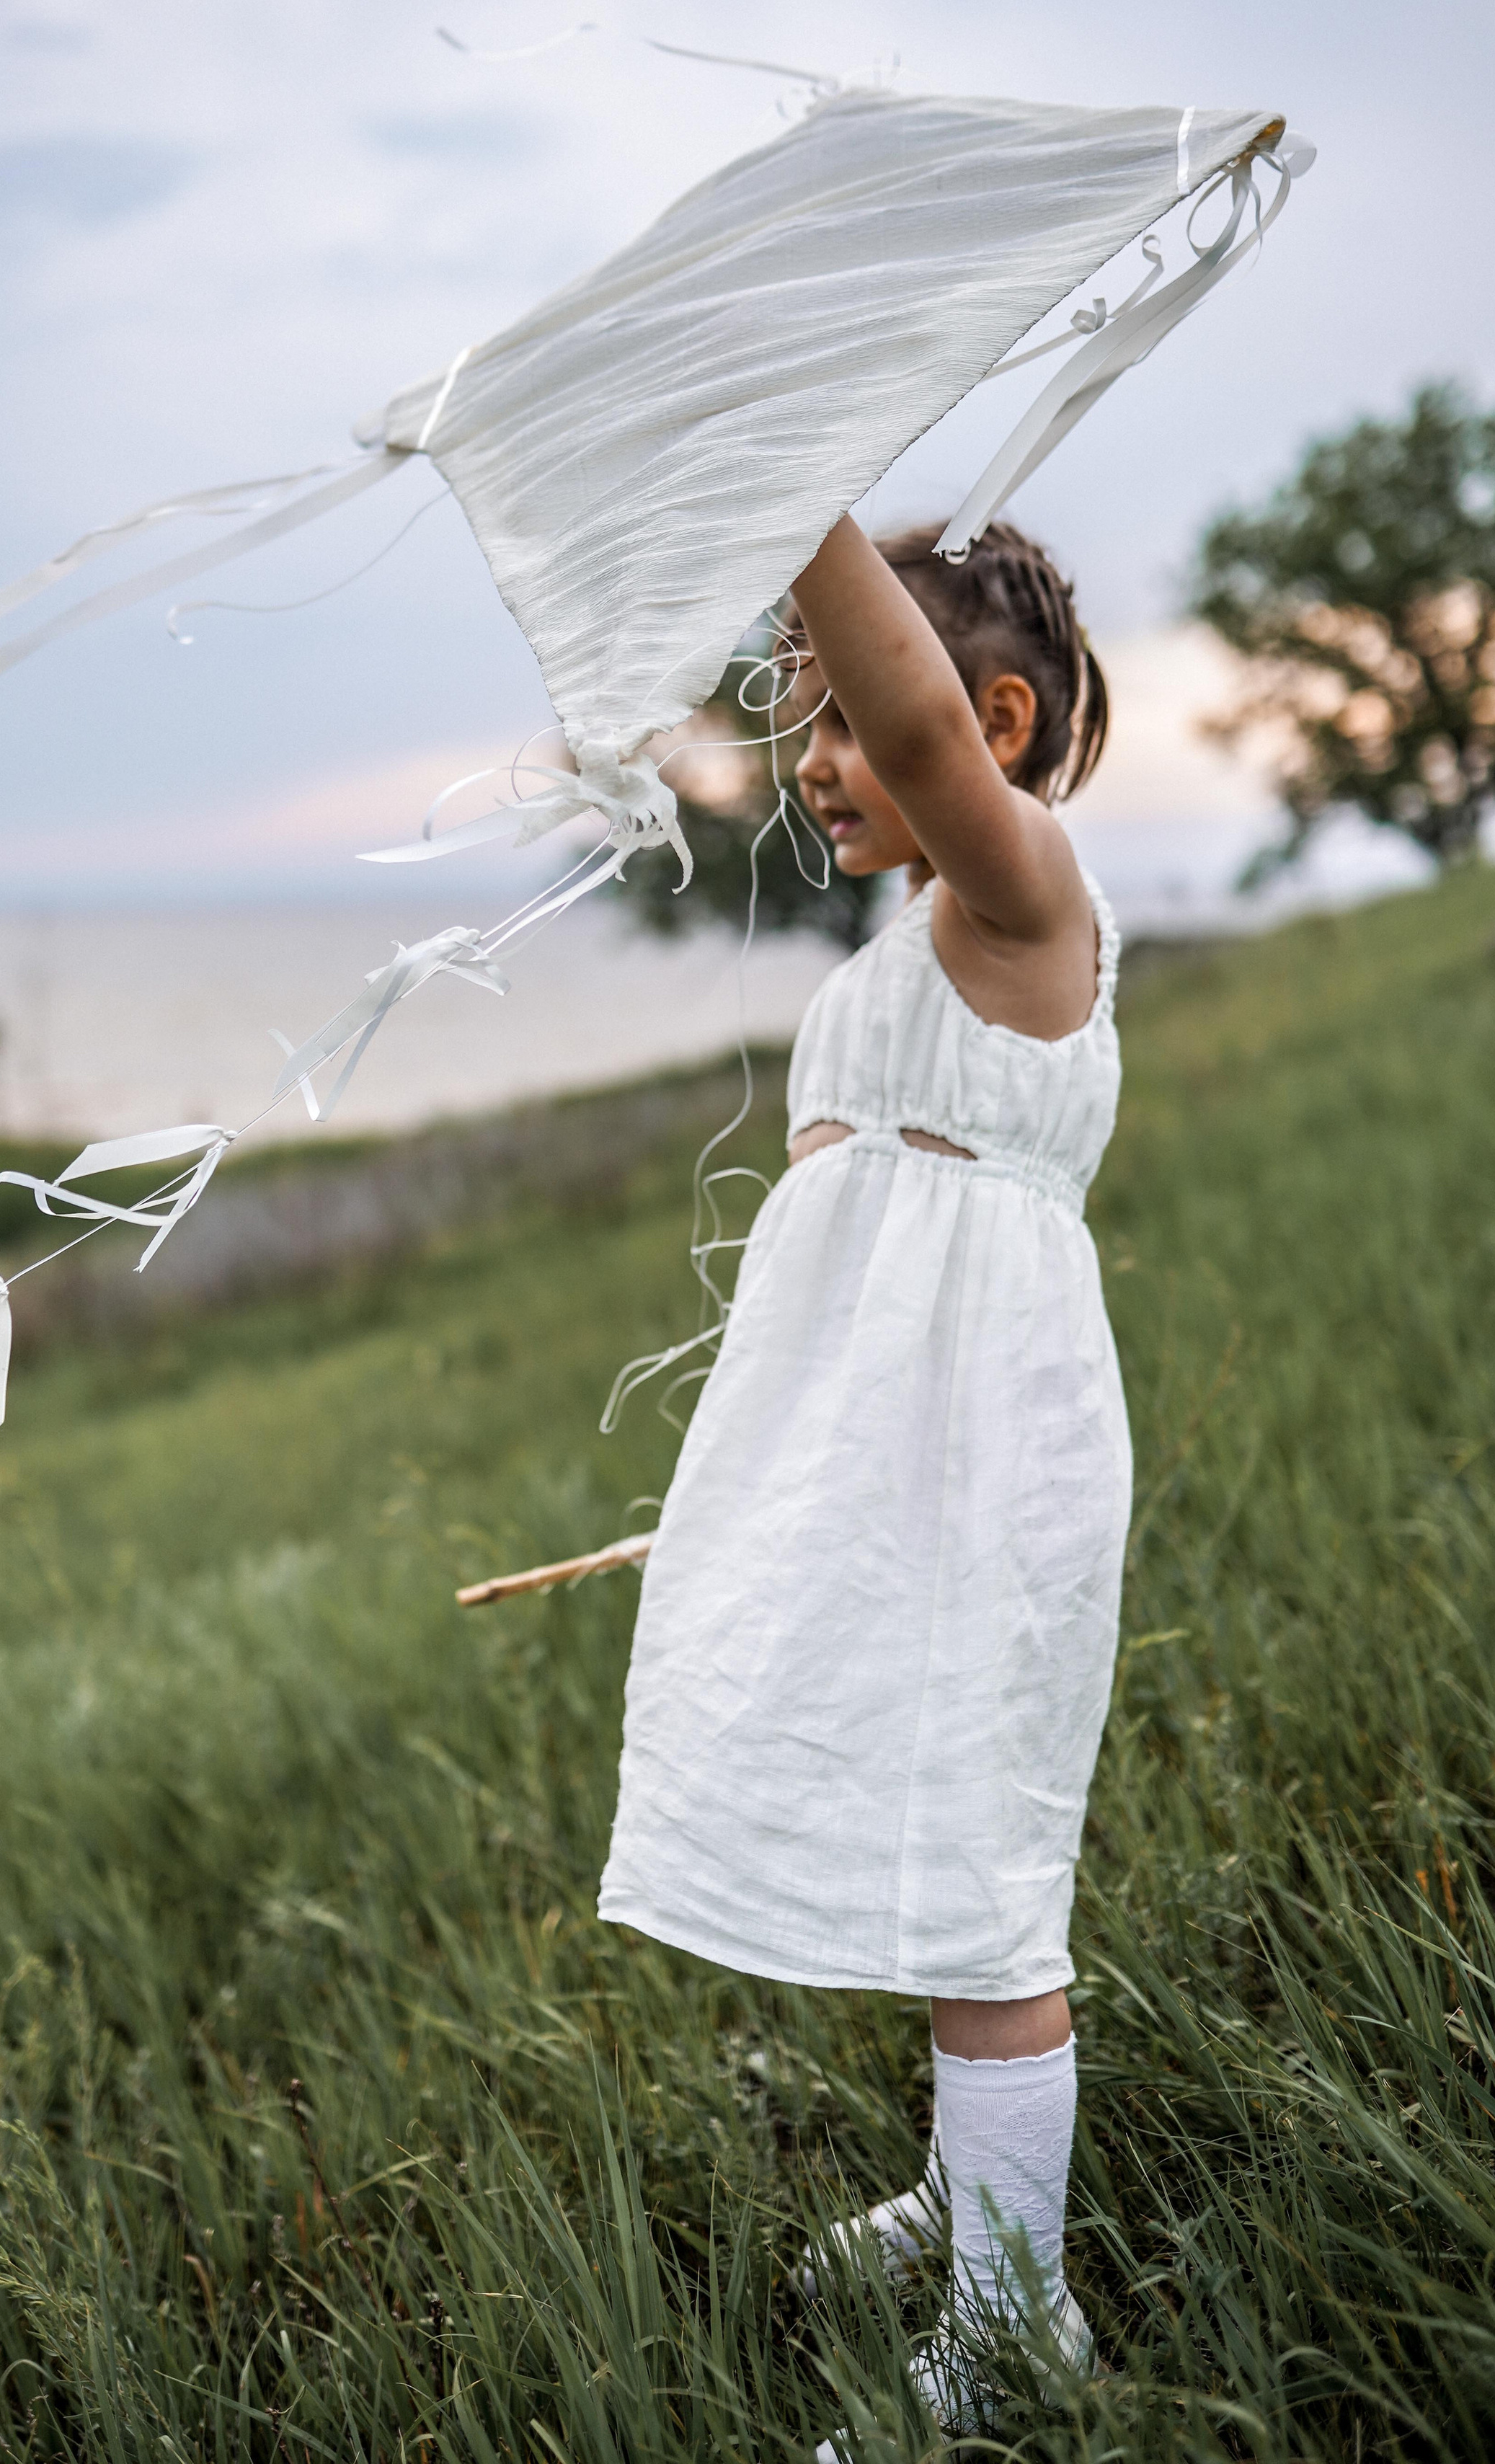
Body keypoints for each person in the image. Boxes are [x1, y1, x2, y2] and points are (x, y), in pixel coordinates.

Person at [597, 510, 1130, 2432]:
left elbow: (920, 740)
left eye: (834, 713)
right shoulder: (909, 951)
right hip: (889, 1459)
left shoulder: (1022, 900)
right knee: (919, 1821)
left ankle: (1015, 2328)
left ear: (986, 718)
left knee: (983, 1874)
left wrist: (797, 490)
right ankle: (970, 2194)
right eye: (807, 718)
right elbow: (842, 1289)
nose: (813, 757)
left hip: (993, 1463)